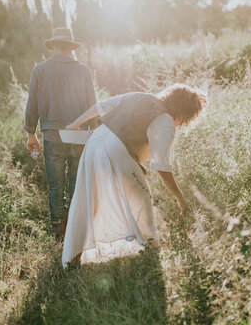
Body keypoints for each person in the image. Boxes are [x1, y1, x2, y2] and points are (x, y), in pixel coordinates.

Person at [61, 84, 207, 268]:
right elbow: (162, 167)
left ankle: (72, 260)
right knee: (141, 201)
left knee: (88, 201)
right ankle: (150, 253)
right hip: (117, 149)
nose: (184, 123)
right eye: (187, 118)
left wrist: (75, 125)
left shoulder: (140, 97)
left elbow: (100, 107)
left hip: (94, 142)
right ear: (185, 112)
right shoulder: (165, 120)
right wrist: (180, 198)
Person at [24, 27, 96, 239]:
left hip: (52, 136)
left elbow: (32, 105)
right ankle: (75, 231)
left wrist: (30, 133)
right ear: (71, 47)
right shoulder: (83, 70)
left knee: (56, 187)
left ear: (54, 46)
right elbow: (93, 105)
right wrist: (94, 131)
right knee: (76, 184)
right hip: (79, 136)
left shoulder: (39, 70)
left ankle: (58, 233)